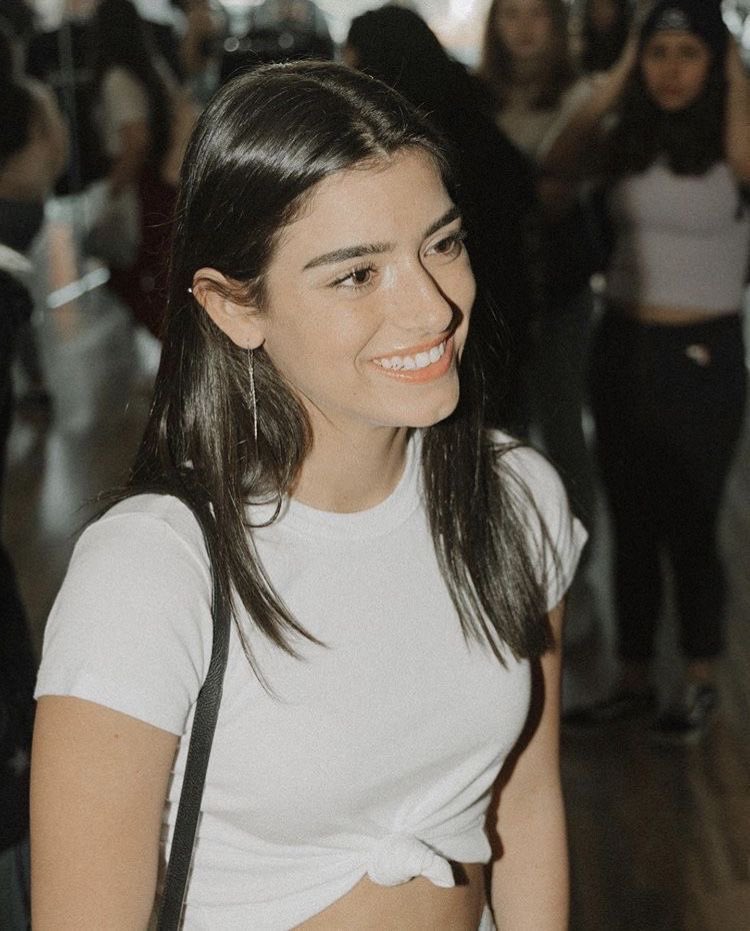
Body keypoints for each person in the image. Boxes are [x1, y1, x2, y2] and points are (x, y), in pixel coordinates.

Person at [31, 61, 586, 928]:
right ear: (232, 306)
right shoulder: (151, 571)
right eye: (356, 274)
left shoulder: (515, 496)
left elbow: (524, 802)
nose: (432, 309)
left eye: (442, 243)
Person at [547, 1, 750, 742]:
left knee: (692, 521)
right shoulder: (622, 136)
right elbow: (556, 162)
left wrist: (733, 72)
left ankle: (699, 676)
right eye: (658, 53)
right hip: (623, 343)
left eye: (687, 54)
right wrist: (623, 70)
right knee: (630, 522)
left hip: (706, 352)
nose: (671, 69)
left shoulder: (733, 141)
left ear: (715, 63)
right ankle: (633, 678)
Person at [344, 4, 539, 432]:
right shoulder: (473, 111)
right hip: (502, 306)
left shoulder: (405, 146)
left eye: (351, 58)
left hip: (476, 317)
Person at [89, 0, 177, 338]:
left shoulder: (117, 78)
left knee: (129, 277)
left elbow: (135, 141)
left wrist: (113, 189)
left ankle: (174, 350)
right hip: (161, 182)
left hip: (138, 185)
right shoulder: (152, 69)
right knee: (155, 274)